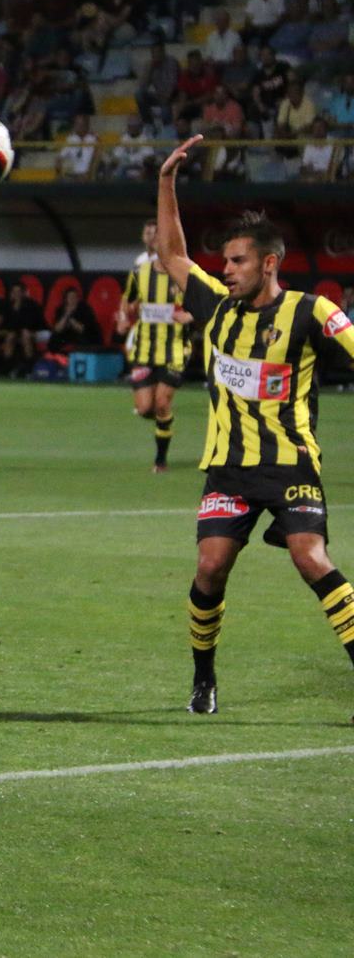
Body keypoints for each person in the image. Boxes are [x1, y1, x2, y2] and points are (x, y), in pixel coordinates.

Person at [152, 134, 354, 715]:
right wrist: (166, 182)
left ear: (269, 262)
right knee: (210, 568)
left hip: (291, 460)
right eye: (225, 262)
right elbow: (173, 255)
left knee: (310, 557)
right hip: (229, 468)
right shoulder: (217, 306)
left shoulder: (312, 311)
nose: (227, 270)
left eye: (237, 261)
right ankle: (203, 678)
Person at [118, 218, 192, 472]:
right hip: (144, 349)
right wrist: (124, 317)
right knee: (144, 408)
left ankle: (160, 461)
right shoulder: (140, 273)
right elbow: (128, 301)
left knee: (162, 404)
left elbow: (204, 306)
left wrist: (189, 316)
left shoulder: (185, 274)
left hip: (174, 350)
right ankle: (163, 423)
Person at [0, 282, 47, 376]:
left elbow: (31, 324)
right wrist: (15, 310)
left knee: (25, 335)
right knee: (10, 336)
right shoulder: (8, 305)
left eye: (19, 292)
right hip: (18, 332)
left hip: (38, 332)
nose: (16, 294)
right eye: (14, 292)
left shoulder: (32, 305)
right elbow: (8, 325)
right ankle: (7, 369)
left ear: (23, 293)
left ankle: (30, 368)